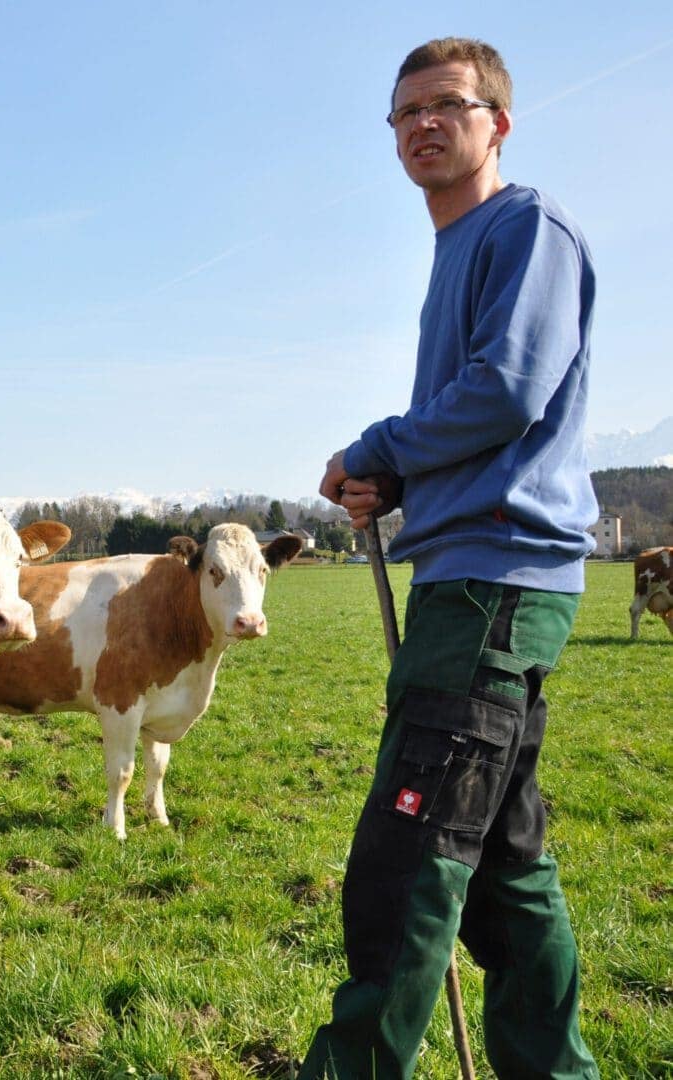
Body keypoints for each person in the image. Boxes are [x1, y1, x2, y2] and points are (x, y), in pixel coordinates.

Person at [299, 37, 601, 1079]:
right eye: (403, 113)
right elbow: (481, 427)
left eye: (447, 106)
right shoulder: (458, 249)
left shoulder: (524, 228)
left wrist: (380, 447)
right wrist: (400, 483)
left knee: (404, 867)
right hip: (475, 574)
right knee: (506, 872)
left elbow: (507, 392)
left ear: (495, 123)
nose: (422, 124)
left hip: (488, 586)